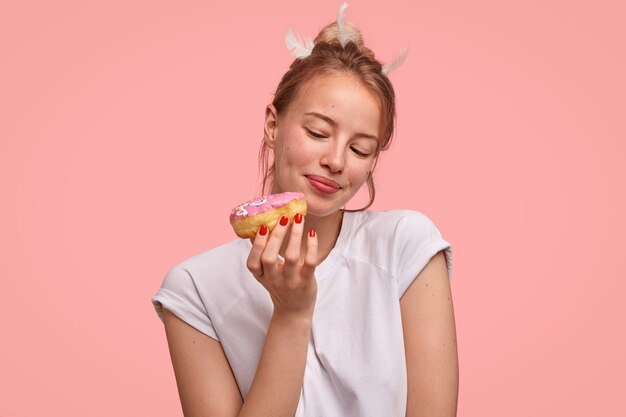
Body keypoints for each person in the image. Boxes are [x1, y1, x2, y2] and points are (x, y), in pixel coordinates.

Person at [151, 3, 458, 416]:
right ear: (273, 125)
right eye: (317, 132)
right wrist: (292, 317)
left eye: (359, 148)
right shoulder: (195, 289)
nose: (336, 160)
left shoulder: (405, 247)